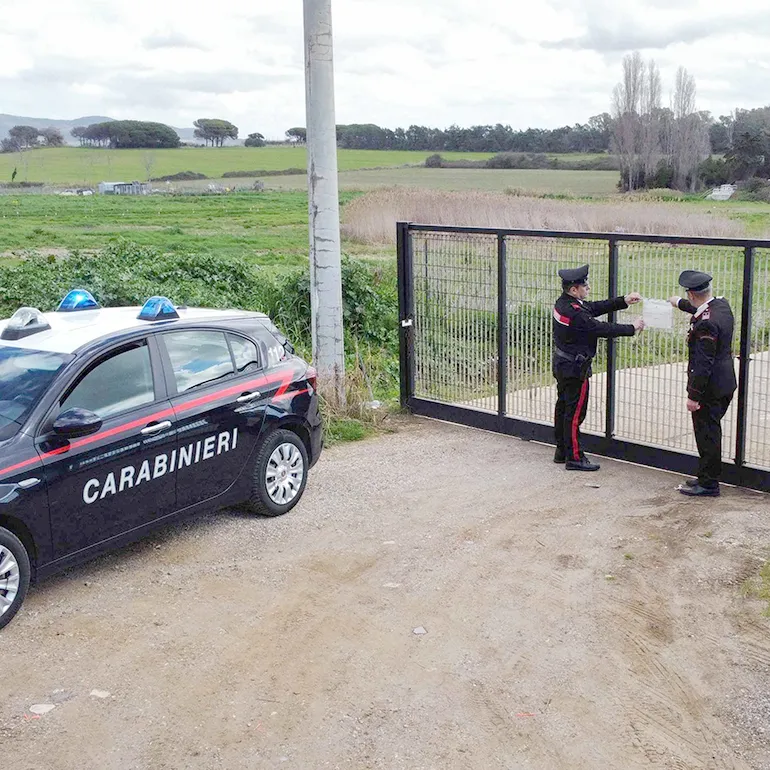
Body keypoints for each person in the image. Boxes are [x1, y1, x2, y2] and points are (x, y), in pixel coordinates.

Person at [553, 264, 644, 471]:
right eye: (585, 285)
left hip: (562, 364)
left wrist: (623, 301)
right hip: (576, 369)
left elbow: (593, 307)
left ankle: (562, 450)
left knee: (563, 408)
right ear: (574, 290)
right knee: (575, 413)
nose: (589, 288)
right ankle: (575, 458)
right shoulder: (576, 313)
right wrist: (632, 328)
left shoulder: (563, 304)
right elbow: (600, 328)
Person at [668, 270, 736, 496]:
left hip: (709, 387)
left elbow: (703, 364)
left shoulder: (706, 325)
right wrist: (679, 303)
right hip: (725, 382)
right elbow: (701, 310)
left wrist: (693, 396)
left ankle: (709, 484)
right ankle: (706, 477)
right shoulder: (722, 307)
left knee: (707, 434)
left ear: (692, 294)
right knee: (710, 431)